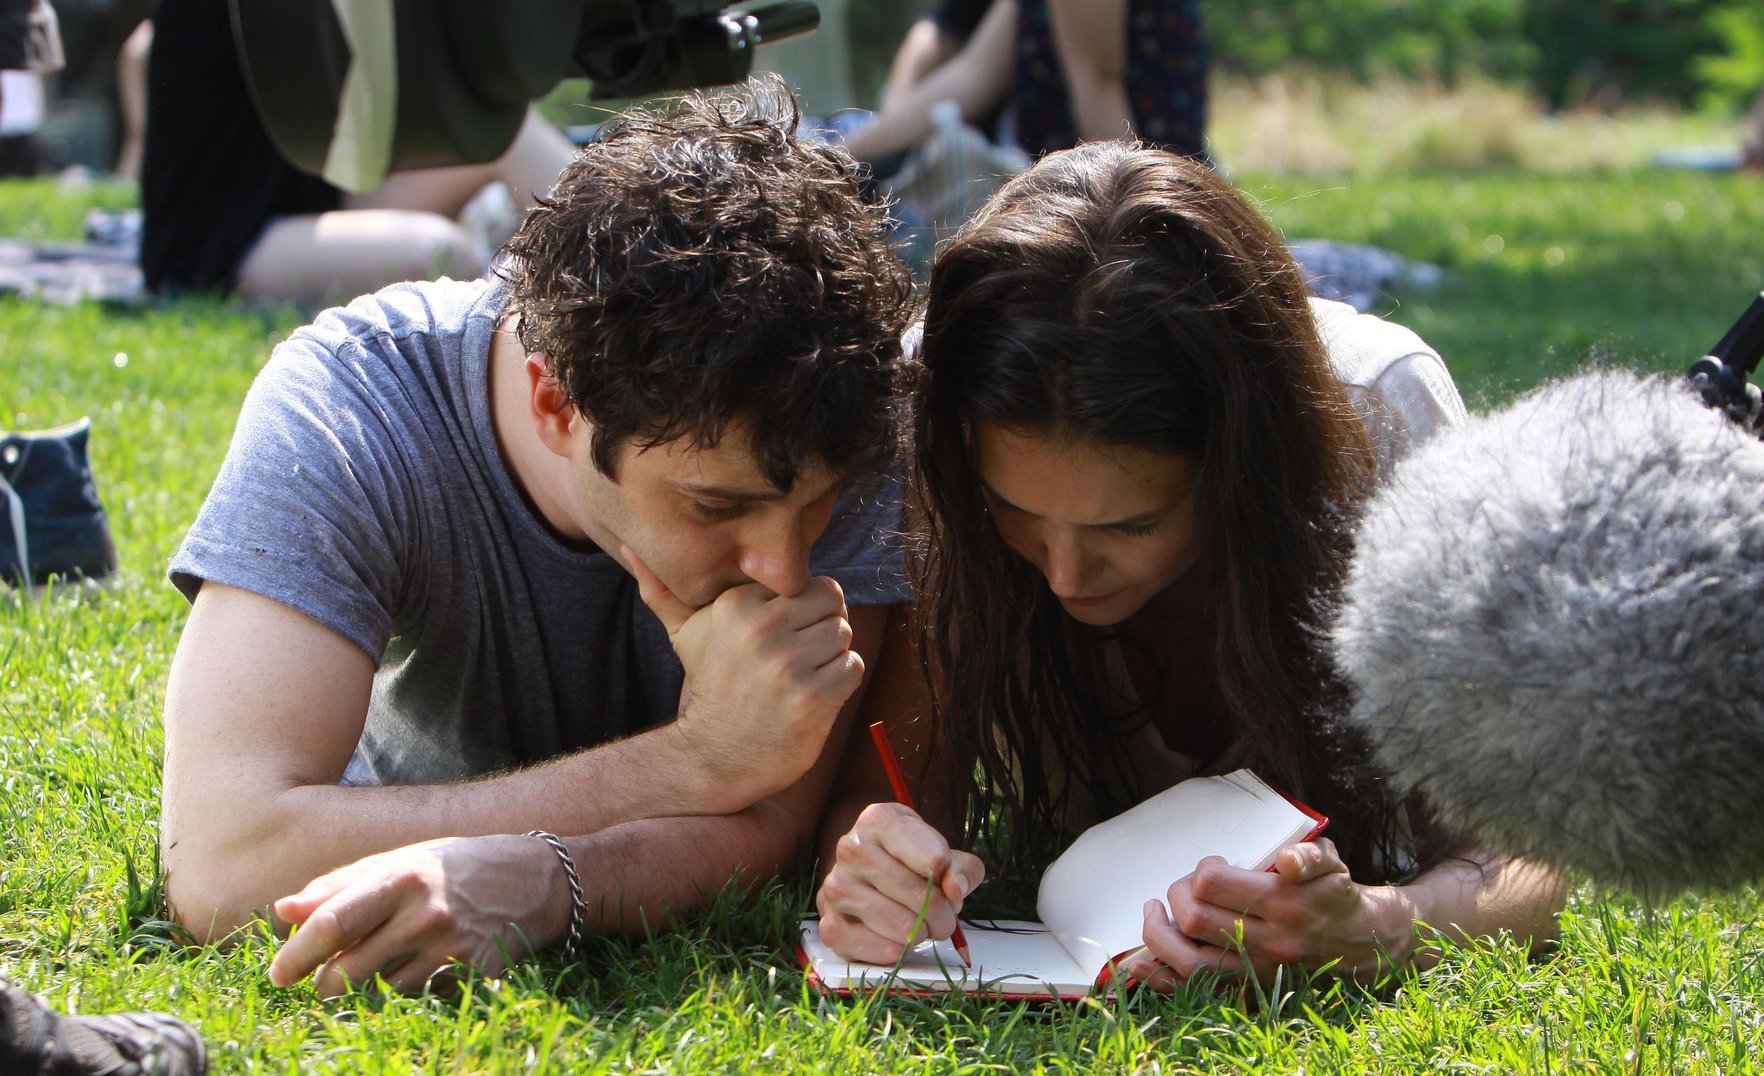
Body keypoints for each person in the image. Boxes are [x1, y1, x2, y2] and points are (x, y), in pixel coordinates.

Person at [159, 78, 916, 996]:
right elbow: (222, 862)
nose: (785, 569)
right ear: (556, 401)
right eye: (715, 508)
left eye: (816, 509)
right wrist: (696, 759)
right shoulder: (354, 404)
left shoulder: (841, 408)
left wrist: (549, 883)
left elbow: (774, 829)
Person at [814, 142, 1566, 988]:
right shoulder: (934, 396)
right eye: (1014, 512)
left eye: (1131, 525)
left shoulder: (1376, 413)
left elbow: (1530, 848)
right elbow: (893, 795)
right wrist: (875, 867)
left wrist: (1380, 927)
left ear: (1243, 469)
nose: (1065, 575)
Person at [138, 0, 575, 305]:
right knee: (446, 256)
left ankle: (624, 249)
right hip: (224, 244)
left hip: (327, 193)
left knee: (503, 133)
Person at [841, 0, 1207, 166]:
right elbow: (975, 74)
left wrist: (1145, 229)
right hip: (1079, 191)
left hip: (1117, 187)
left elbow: (1098, 91)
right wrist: (839, 152)